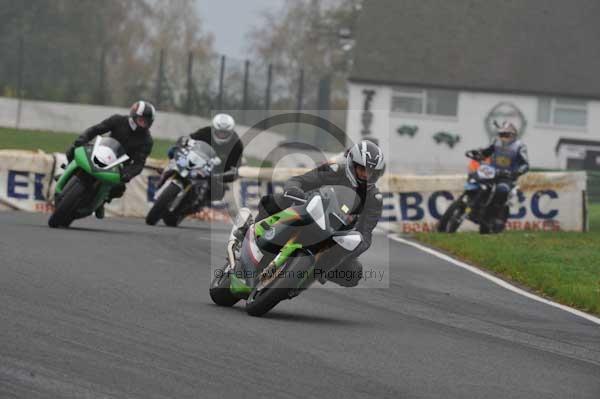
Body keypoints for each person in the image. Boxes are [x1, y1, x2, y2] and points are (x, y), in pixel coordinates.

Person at [240, 139, 385, 287]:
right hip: (308, 210)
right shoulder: (334, 170)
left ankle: (307, 277)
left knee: (354, 272)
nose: (366, 176)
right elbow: (299, 180)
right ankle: (251, 233)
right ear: (351, 165)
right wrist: (294, 189)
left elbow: (366, 235)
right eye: (362, 170)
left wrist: (350, 247)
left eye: (371, 173)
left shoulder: (374, 199)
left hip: (334, 235)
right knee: (274, 200)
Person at [65, 100, 155, 218]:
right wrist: (83, 139)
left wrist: (128, 173)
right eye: (141, 120)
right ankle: (67, 170)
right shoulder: (117, 120)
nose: (143, 124)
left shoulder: (147, 141)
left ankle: (101, 201)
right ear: (133, 115)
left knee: (119, 189)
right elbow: (96, 129)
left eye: (146, 122)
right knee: (72, 150)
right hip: (101, 151)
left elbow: (139, 163)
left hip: (119, 165)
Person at [165, 113, 244, 201]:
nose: (221, 134)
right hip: (197, 161)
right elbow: (190, 138)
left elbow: (235, 168)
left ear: (231, 132)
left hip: (215, 172)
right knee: (172, 151)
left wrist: (223, 176)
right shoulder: (206, 131)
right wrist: (183, 142)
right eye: (219, 131)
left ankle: (200, 203)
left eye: (225, 133)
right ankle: (165, 174)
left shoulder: (237, 145)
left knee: (218, 192)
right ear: (213, 129)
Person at [466, 121, 529, 230]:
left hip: (507, 177)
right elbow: (486, 152)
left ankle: (493, 216)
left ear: (513, 135)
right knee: (474, 177)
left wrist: (516, 172)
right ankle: (471, 204)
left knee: (501, 191)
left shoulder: (520, 146)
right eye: (501, 134)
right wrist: (479, 153)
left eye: (506, 134)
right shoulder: (496, 142)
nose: (503, 137)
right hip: (491, 172)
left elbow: (525, 165)